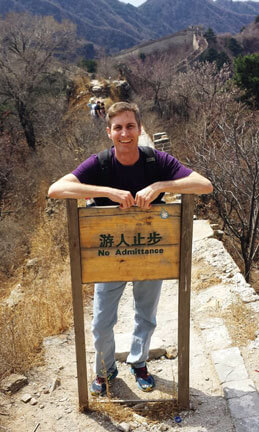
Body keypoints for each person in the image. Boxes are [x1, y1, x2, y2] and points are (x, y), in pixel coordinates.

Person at [48, 102, 213, 396]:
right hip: (109, 258)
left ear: (138, 128)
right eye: (118, 128)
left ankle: (139, 363)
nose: (125, 133)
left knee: (146, 316)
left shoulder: (154, 160)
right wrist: (106, 191)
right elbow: (56, 189)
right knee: (101, 322)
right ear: (109, 132)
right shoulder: (99, 164)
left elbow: (204, 185)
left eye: (130, 126)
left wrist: (162, 185)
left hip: (150, 252)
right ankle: (105, 369)